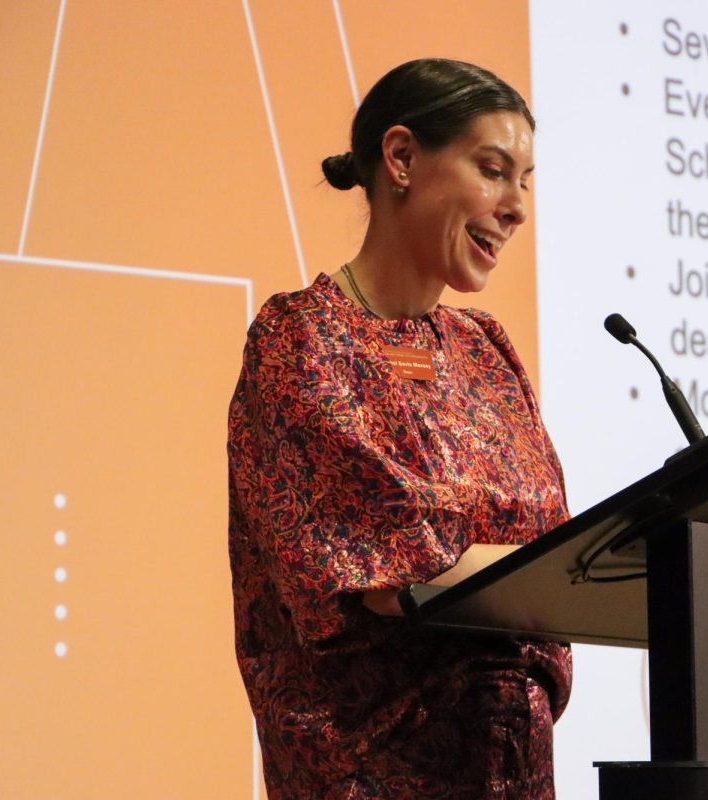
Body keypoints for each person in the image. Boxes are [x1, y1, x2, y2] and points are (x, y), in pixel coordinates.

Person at [227, 59, 571, 799]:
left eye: (526, 181)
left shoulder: (487, 351)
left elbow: (551, 543)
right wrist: (540, 568)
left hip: (512, 770)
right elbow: (388, 572)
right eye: (493, 169)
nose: (516, 206)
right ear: (403, 158)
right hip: (375, 774)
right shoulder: (302, 340)